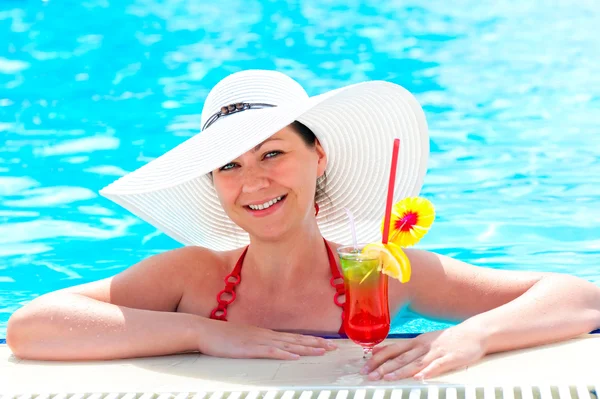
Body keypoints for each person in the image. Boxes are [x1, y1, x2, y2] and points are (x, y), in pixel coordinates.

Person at [6, 70, 600, 382]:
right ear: (214, 183)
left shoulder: (382, 269)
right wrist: (202, 333)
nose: (253, 182)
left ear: (319, 159)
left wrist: (471, 335)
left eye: (272, 154)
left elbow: (579, 297)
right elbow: (31, 327)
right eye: (229, 166)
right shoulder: (191, 278)